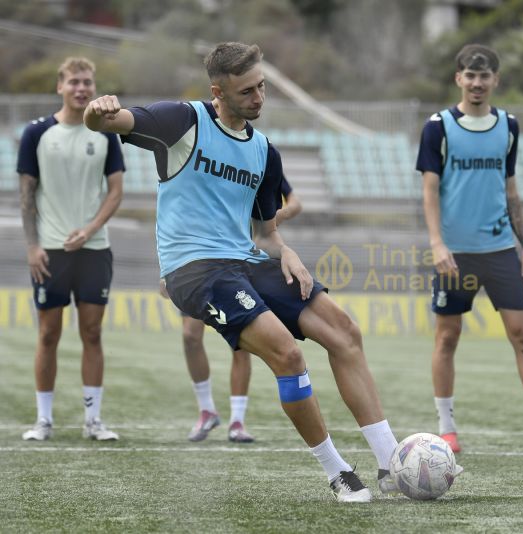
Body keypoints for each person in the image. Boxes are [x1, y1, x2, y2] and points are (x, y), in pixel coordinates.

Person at [84, 42, 418, 502]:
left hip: (245, 259)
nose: (259, 97)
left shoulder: (264, 152)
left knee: (345, 332)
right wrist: (98, 109)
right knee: (289, 356)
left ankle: (390, 463)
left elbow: (264, 233)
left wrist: (286, 251)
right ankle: (338, 471)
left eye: (261, 87)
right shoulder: (181, 120)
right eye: (247, 91)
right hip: (194, 271)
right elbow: (105, 122)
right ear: (218, 92)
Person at [416, 44, 523, 455]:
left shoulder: (509, 126)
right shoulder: (438, 127)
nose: (476, 83)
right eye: (469, 75)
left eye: (484, 76)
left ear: (495, 80)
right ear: (458, 79)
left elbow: (510, 189)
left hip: (501, 247)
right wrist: (436, 243)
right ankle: (447, 429)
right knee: (447, 337)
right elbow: (430, 191)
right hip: (455, 253)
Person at [17, 57, 124, 442]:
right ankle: (43, 420)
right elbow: (26, 195)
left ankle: (93, 420)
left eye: (88, 82)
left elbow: (116, 192)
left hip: (95, 249)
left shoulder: (107, 134)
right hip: (50, 251)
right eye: (75, 82)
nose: (82, 88)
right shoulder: (36, 134)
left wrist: (91, 228)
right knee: (48, 335)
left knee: (92, 333)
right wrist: (32, 246)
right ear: (60, 87)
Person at [165, 181, 303, 443]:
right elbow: (176, 208)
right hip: (198, 262)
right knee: (190, 336)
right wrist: (168, 267)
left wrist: (271, 219)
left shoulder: (260, 154)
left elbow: (295, 203)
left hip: (244, 260)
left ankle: (237, 421)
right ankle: (206, 411)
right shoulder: (204, 157)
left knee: (242, 343)